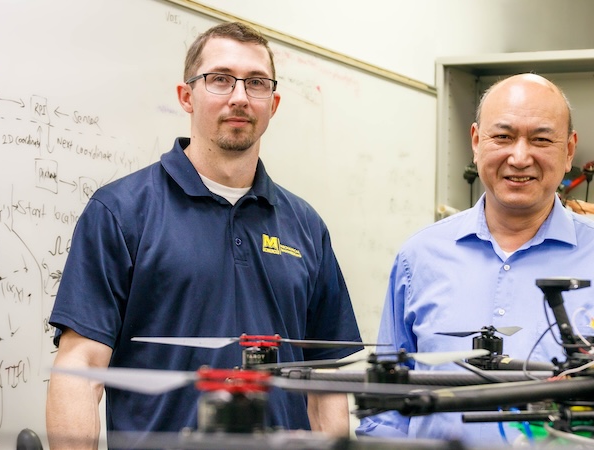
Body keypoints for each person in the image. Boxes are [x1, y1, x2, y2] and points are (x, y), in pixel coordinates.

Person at [46, 21, 362, 448]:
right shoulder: (120, 212)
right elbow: (80, 370)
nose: (239, 97)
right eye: (219, 80)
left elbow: (324, 379)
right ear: (186, 96)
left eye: (255, 83)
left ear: (273, 102)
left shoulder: (306, 226)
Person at [356, 73, 594, 445]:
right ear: (476, 142)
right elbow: (386, 404)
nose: (519, 156)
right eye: (503, 136)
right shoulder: (418, 257)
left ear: (569, 151)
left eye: (541, 139)